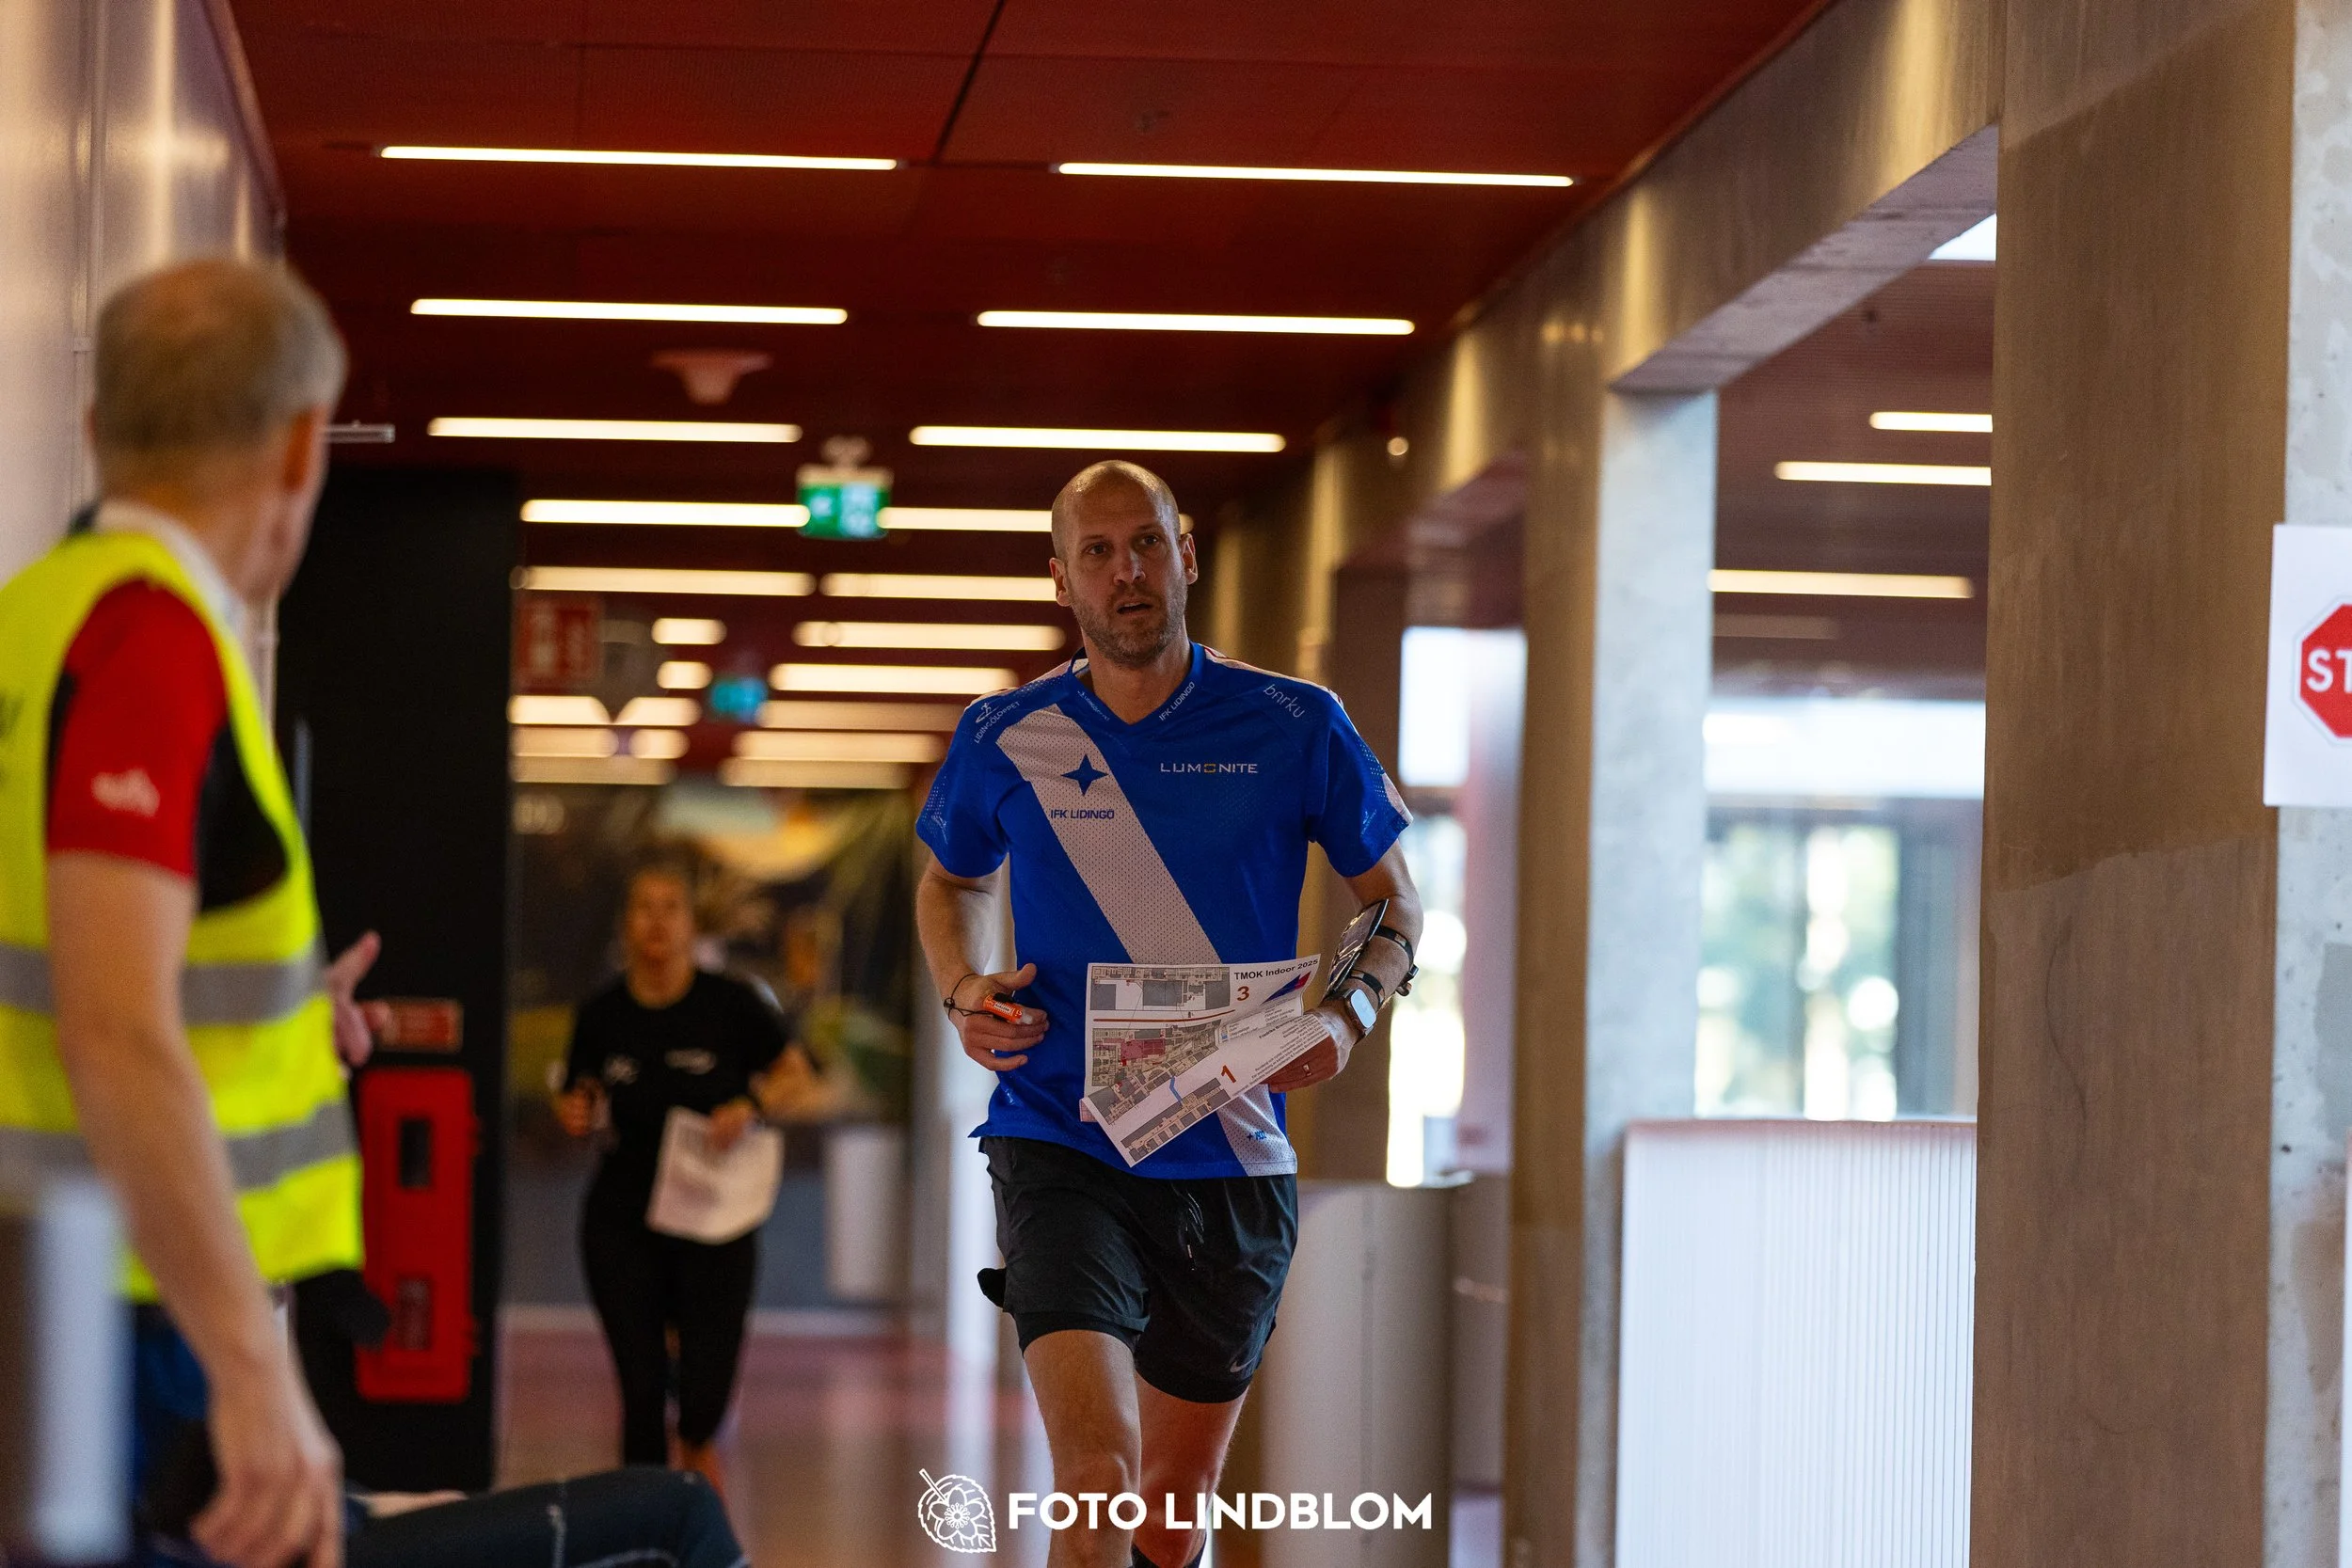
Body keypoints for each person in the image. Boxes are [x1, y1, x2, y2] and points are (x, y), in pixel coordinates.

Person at [914, 460, 1424, 1568]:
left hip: (1231, 1154)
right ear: (1060, 580)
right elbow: (949, 878)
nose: (1125, 570)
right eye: (1095, 552)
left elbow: (1394, 905)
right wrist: (963, 985)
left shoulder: (1296, 721)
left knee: (1168, 1506)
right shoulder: (1014, 734)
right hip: (1060, 1134)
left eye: (1145, 542)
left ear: (1185, 556)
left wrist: (1345, 1021)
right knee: (1094, 1484)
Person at [0, 257, 386, 1568]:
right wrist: (252, 1367)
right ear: (295, 447)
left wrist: (282, 1012)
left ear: (101, 431)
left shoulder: (25, 623)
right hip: (102, 1305)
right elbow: (113, 1024)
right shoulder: (149, 641)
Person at [554, 863, 816, 1491]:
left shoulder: (732, 1004)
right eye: (644, 907)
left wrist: (749, 1107)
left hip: (713, 1221)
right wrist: (575, 1109)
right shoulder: (601, 1014)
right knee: (640, 1388)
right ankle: (639, 1530)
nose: (657, 921)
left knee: (703, 1398)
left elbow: (796, 1075)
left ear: (692, 924)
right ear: (627, 924)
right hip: (625, 1220)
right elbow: (574, 1097)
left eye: (672, 907)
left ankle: (696, 1474)